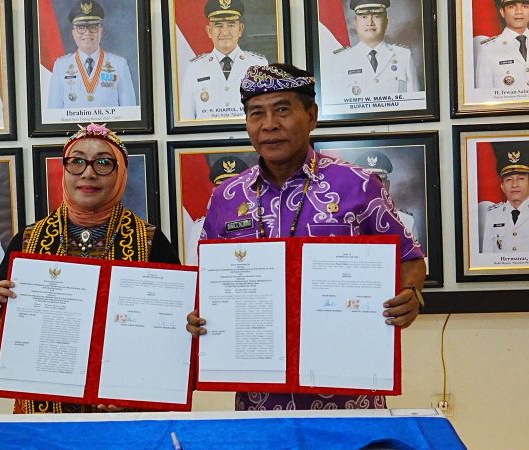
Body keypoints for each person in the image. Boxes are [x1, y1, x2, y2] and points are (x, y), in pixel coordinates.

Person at [186, 64, 427, 411]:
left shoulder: (358, 185)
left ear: (311, 116)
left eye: (282, 110)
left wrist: (412, 294)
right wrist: (200, 315)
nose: (269, 124)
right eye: (256, 113)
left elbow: (410, 258)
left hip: (349, 394)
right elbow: (208, 285)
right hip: (260, 399)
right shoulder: (226, 197)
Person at [0, 123, 179, 414]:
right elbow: (9, 347)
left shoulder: (151, 242)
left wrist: (136, 392)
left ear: (121, 173)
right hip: (46, 416)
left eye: (103, 163)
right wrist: (1, 322)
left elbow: (171, 336)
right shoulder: (27, 242)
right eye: (77, 162)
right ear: (63, 170)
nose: (88, 173)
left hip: (126, 414)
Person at [179, 0, 267, 120]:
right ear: (209, 31)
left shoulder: (259, 65)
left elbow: (265, 113)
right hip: (207, 132)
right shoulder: (194, 68)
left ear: (240, 29)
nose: (225, 32)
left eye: (231, 25)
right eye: (218, 25)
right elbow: (186, 118)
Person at [324, 0, 419, 102]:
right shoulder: (341, 60)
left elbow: (415, 104)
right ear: (355, 22)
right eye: (364, 17)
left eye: (376, 16)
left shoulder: (404, 56)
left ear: (386, 21)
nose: (370, 23)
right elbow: (337, 105)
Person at [48, 0, 136, 109]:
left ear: (100, 31)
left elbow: (129, 111)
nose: (87, 33)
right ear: (73, 33)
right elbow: (53, 112)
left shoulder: (119, 65)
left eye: (93, 27)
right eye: (81, 28)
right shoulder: (61, 66)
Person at [475, 0, 529, 89]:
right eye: (512, 6)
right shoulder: (489, 49)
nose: (519, 11)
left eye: (525, 6)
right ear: (502, 12)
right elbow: (484, 93)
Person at [183, 155, 250, 265]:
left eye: (235, 188)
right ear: (214, 191)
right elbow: (194, 266)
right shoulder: (200, 227)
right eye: (222, 187)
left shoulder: (262, 220)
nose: (228, 193)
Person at [356, 150, 415, 236]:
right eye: (367, 180)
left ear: (387, 185)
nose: (374, 185)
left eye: (379, 179)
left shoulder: (406, 221)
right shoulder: (346, 220)